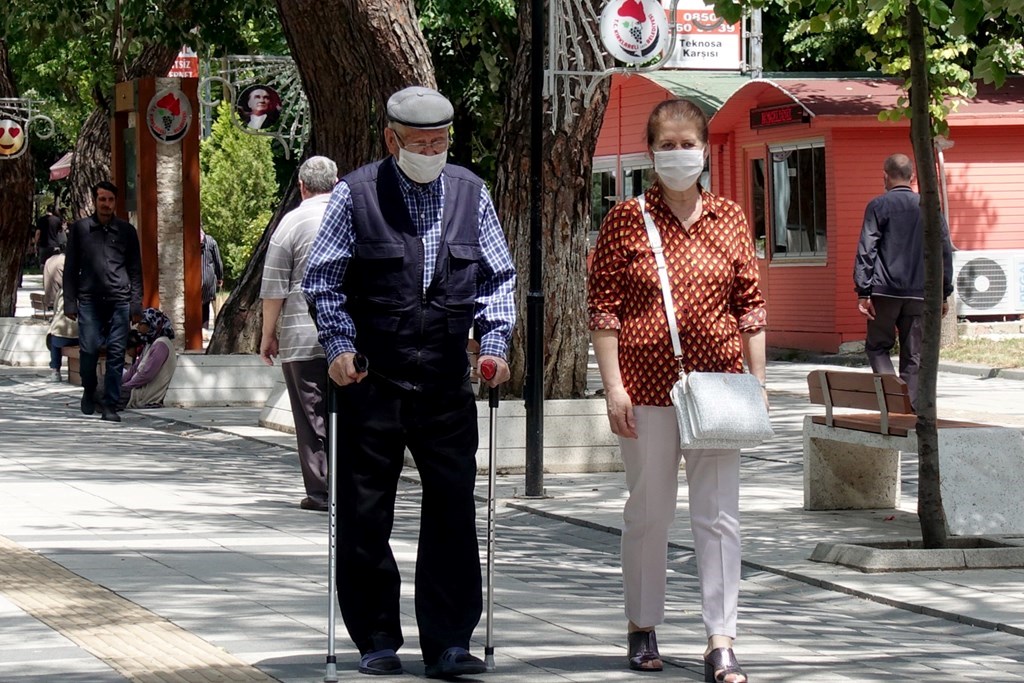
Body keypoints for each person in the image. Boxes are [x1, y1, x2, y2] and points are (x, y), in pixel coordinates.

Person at [303, 86, 516, 679]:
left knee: (452, 511)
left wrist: (494, 346)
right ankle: (375, 635)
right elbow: (323, 278)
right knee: (365, 513)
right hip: (374, 379)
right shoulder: (356, 194)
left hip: (447, 381)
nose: (431, 151)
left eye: (440, 141)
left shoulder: (472, 194)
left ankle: (449, 641)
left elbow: (498, 277)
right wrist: (340, 346)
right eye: (420, 142)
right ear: (391, 139)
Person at [587, 99, 765, 683]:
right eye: (667, 144)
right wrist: (613, 388)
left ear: (706, 149)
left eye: (688, 143)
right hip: (645, 389)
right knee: (650, 513)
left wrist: (757, 385)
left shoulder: (731, 217)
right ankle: (642, 626)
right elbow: (604, 311)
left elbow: (751, 309)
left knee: (719, 517)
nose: (678, 153)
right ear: (651, 150)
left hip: (718, 391)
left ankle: (721, 639)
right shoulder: (625, 220)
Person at [259, 156, 338, 512]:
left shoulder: (290, 223)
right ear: (336, 184)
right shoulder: (351, 216)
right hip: (349, 335)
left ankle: (321, 491)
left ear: (302, 187)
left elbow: (274, 287)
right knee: (348, 411)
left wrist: (267, 335)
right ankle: (350, 484)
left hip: (301, 334)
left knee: (311, 415)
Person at [854, 153, 954, 412]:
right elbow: (944, 250)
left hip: (885, 292)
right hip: (920, 294)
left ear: (885, 176)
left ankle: (892, 401)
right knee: (914, 354)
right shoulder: (929, 207)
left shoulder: (878, 206)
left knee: (877, 347)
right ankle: (908, 409)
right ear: (913, 177)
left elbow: (867, 249)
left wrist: (864, 291)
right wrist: (943, 293)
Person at [64, 181, 143, 423]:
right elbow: (70, 268)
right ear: (95, 201)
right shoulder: (80, 230)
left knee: (117, 354)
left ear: (115, 202)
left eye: (110, 200)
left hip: (119, 301)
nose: (106, 204)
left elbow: (135, 270)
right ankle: (89, 389)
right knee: (88, 350)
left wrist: (135, 304)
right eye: (102, 200)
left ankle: (110, 404)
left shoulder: (127, 231)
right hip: (89, 301)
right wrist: (70, 303)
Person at [120, 308, 177, 408]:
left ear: (152, 324)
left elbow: (146, 374)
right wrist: (119, 382)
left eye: (141, 323)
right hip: (135, 389)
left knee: (101, 392)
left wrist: (125, 387)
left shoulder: (161, 345)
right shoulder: (150, 343)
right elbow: (134, 369)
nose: (137, 327)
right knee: (101, 385)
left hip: (144, 394)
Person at [44, 253, 78, 383]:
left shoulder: (62, 291)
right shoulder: (85, 290)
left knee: (54, 336)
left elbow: (56, 312)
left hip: (62, 337)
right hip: (81, 335)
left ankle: (55, 370)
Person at [200, 228, 224, 329]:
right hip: (209, 279)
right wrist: (220, 277)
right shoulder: (211, 241)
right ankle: (204, 331)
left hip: (193, 278)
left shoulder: (189, 238)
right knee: (205, 306)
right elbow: (218, 261)